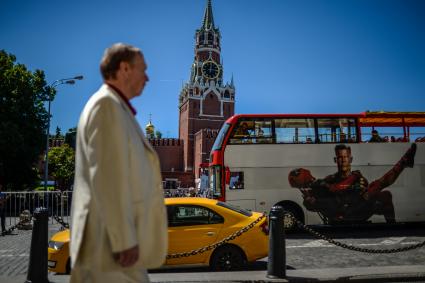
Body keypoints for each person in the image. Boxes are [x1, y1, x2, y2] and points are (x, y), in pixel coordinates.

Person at [70, 43, 168, 283]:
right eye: (142, 69)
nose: (147, 77)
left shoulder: (116, 107)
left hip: (113, 247)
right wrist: (124, 241)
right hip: (110, 249)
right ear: (124, 69)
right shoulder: (107, 107)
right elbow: (106, 177)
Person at [288, 143, 416, 224]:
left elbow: (361, 189)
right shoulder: (329, 179)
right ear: (335, 160)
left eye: (345, 158)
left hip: (358, 210)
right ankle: (403, 163)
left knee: (383, 193)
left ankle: (391, 228)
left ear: (350, 159)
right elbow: (315, 201)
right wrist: (310, 201)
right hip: (341, 213)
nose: (343, 161)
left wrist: (358, 187)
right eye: (340, 158)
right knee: (375, 188)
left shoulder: (357, 177)